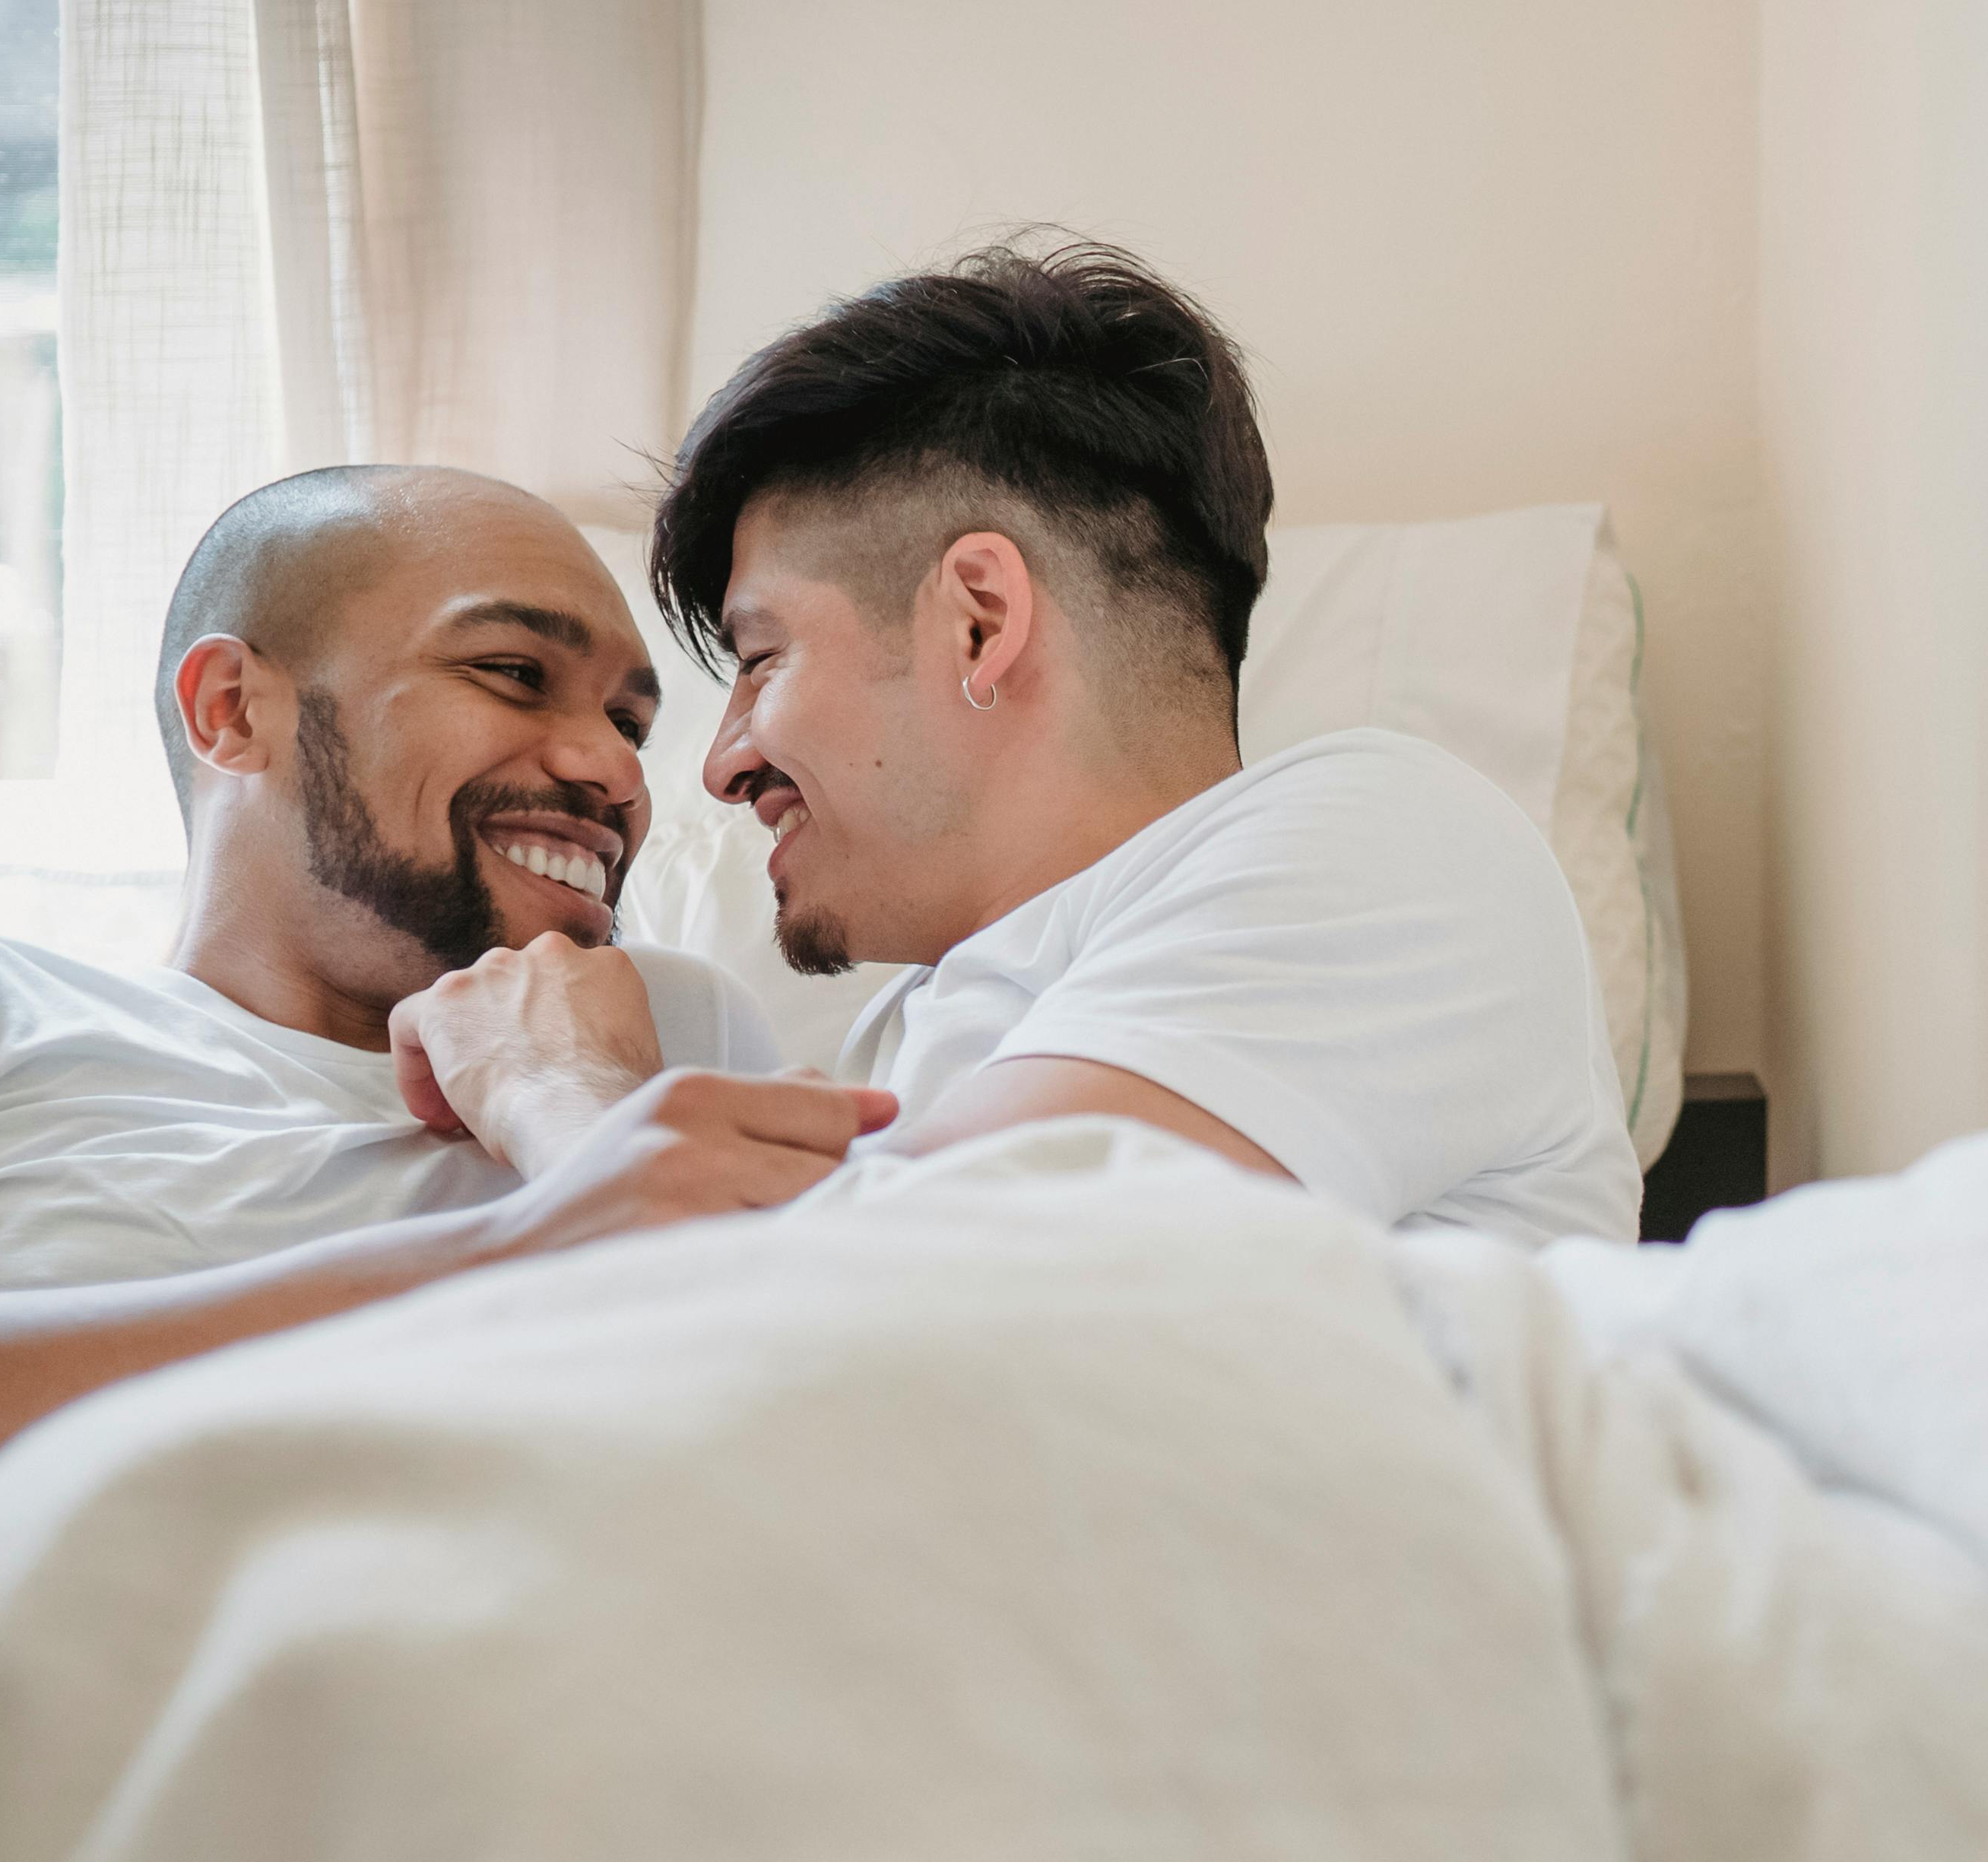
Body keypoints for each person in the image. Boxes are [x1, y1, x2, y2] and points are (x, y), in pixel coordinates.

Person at [0, 466, 886, 1577]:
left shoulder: (671, 1030)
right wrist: (531, 1244)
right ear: (230, 710)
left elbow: (836, 1455)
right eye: (512, 674)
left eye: (631, 722)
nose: (606, 770)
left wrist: (574, 1103)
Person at [389, 239, 1641, 1249]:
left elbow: (925, 1335)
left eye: (762, 657)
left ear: (979, 621)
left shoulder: (1388, 846)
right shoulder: (909, 1035)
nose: (721, 766)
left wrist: (561, 1100)